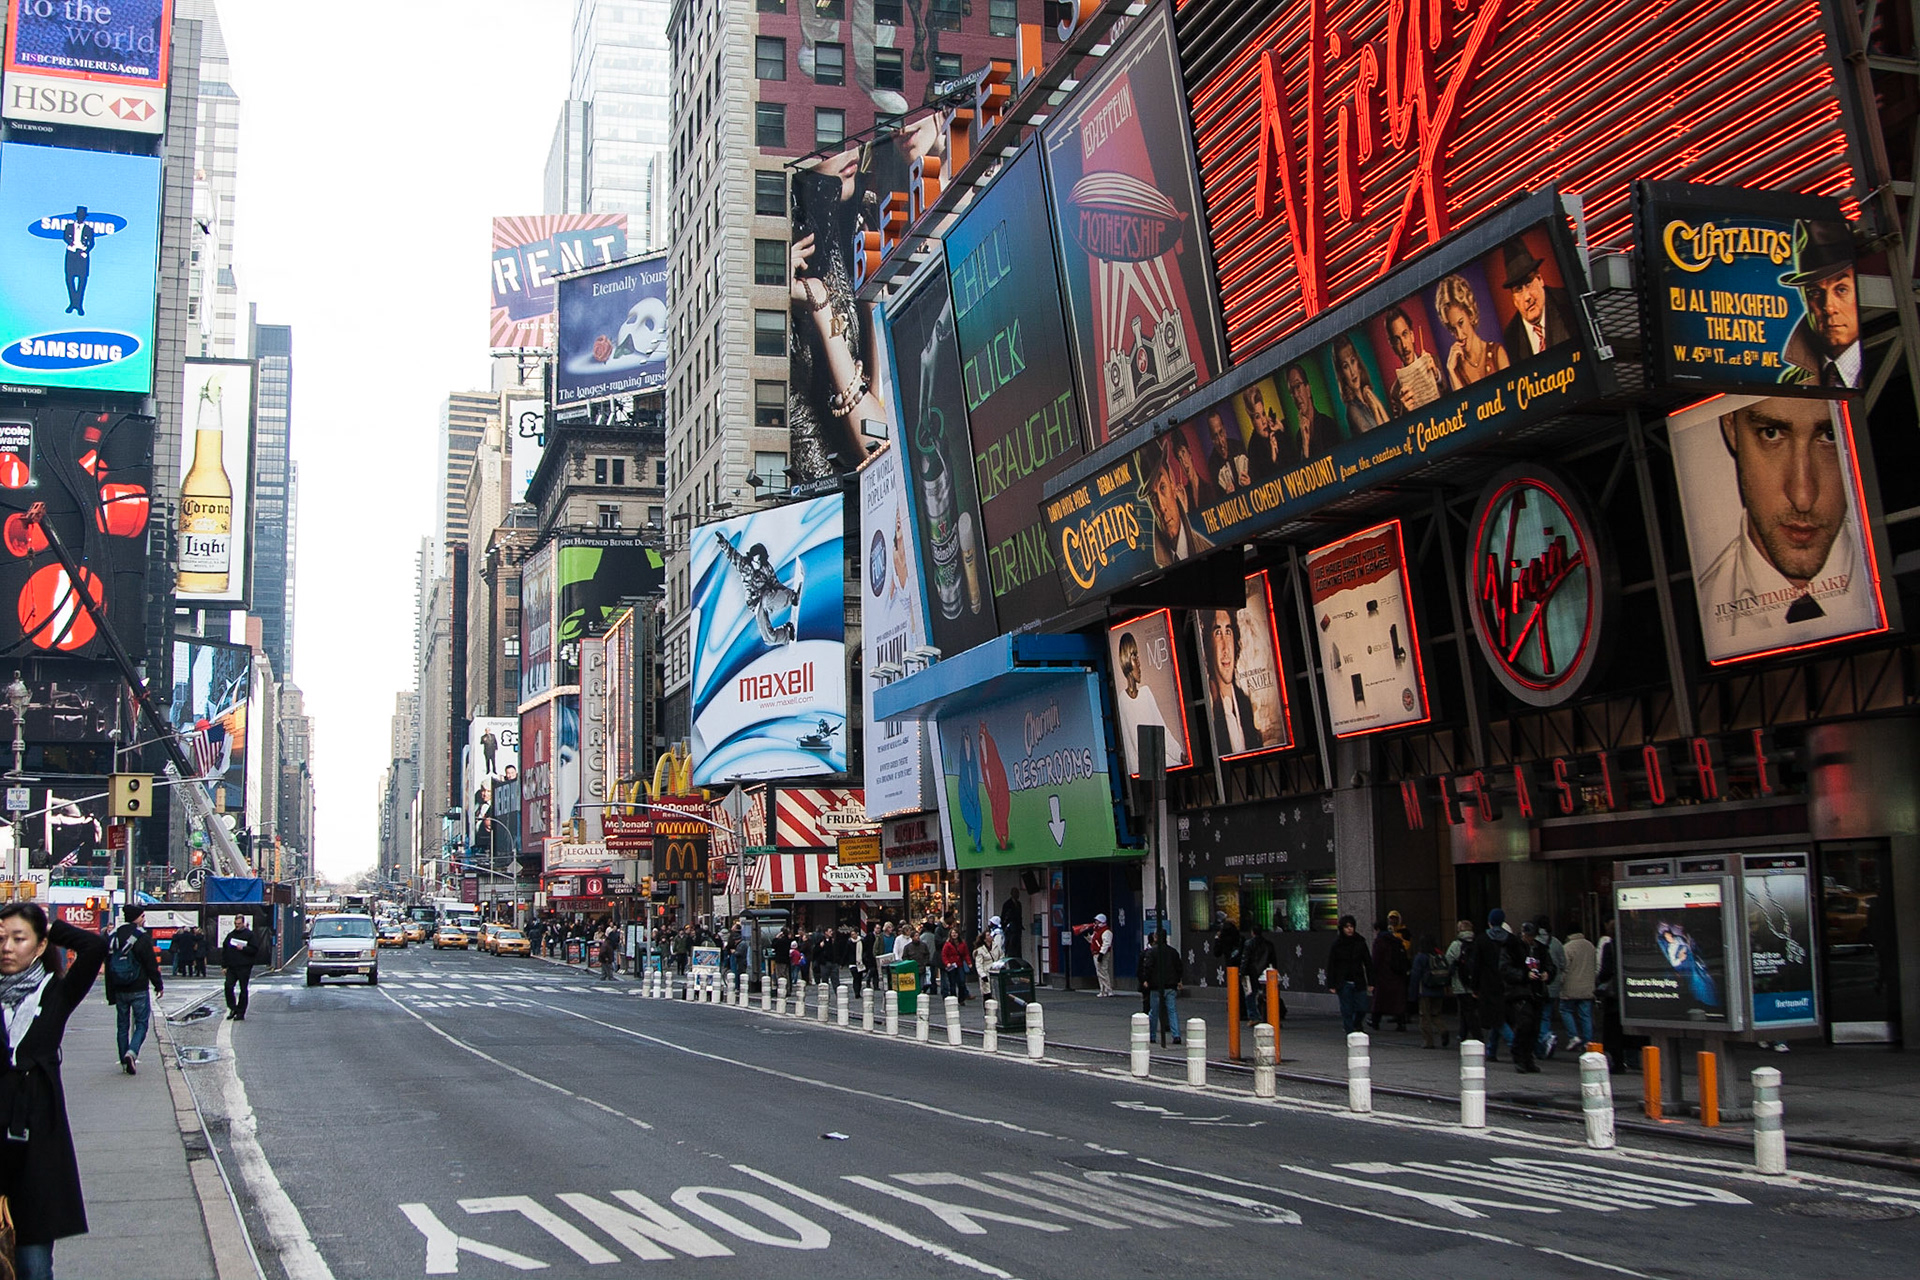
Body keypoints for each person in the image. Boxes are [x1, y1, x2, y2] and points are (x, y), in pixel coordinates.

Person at [1695, 396, 1874, 645]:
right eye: (1771, 433)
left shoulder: (1894, 586)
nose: (1802, 497)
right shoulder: (1702, 610)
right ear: (1731, 427)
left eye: (1830, 435)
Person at [0, 903, 108, 1280]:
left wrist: (52, 923)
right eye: (1, 939)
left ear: (40, 945)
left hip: (38, 1147)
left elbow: (94, 948)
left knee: (32, 1265)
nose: (7, 948)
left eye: (18, 938)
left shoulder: (55, 993)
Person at [1777, 218, 1860, 388]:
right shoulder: (1791, 383)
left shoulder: (1884, 354)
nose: (1828, 307)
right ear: (1803, 298)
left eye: (1841, 289)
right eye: (1814, 292)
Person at [104, 904, 164, 1075]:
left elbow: (109, 966)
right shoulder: (141, 937)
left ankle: (124, 1061)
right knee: (142, 1024)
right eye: (143, 916)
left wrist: (110, 994)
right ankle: (132, 1052)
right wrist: (158, 985)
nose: (144, 920)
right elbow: (150, 964)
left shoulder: (113, 937)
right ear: (137, 918)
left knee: (122, 1026)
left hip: (119, 988)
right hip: (138, 986)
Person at [1112, 630, 1182, 775]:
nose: (1139, 663)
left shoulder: (1146, 693)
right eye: (1134, 657)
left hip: (1160, 766)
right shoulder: (1122, 701)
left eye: (1138, 656)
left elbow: (1163, 733)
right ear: (1126, 660)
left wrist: (1180, 755)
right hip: (1146, 771)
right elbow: (1134, 747)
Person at [1199, 606, 1264, 758]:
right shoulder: (1209, 713)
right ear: (1208, 645)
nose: (1225, 647)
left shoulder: (1245, 705)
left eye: (1228, 632)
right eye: (1218, 633)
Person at [1499, 238, 1578, 357]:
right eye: (1519, 289)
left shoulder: (1569, 303)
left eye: (1528, 284)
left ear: (1540, 280)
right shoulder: (1510, 338)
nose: (1527, 297)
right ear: (1514, 299)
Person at [1434, 272, 1510, 389]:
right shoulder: (1456, 370)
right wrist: (1451, 371)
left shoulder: (1497, 353)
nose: (1459, 335)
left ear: (1470, 314)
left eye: (1461, 323)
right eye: (1453, 329)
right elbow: (1462, 406)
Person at [1145, 441, 1214, 569]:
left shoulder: (1207, 549)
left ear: (1172, 481)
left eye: (1163, 487)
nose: (1162, 507)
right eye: (1153, 498)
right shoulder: (1150, 565)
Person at [1502, 921, 1556, 1074]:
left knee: (1534, 1028)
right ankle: (1519, 1058)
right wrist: (1524, 975)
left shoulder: (1540, 949)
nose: (1530, 939)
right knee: (1524, 1025)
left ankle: (1528, 1058)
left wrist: (1548, 973)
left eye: (1532, 936)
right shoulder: (1513, 947)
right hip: (1520, 992)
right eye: (1528, 936)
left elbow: (1550, 966)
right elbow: (1505, 969)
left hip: (1537, 992)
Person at [1470, 909, 1515, 1061]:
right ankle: (1491, 1050)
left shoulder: (1482, 940)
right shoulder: (1510, 939)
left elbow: (1476, 965)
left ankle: (1516, 1046)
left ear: (1490, 922)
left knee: (1498, 1019)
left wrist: (1474, 987)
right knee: (1498, 1016)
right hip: (1508, 983)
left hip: (1489, 984)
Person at [1383, 305, 1443, 415]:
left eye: (1405, 334)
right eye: (1397, 340)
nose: (1404, 346)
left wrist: (1437, 376)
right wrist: (1406, 413)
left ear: (1412, 336)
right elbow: (1401, 429)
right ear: (1392, 346)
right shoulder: (1395, 392)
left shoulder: (1436, 362)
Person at [1331, 333, 1390, 434]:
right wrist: (1375, 410)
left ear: (1358, 362)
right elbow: (1378, 438)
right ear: (1342, 374)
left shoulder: (1368, 396)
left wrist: (1376, 403)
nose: (1352, 372)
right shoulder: (1353, 410)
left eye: (1352, 361)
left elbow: (1390, 427)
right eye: (1346, 366)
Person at [1325, 916, 1373, 1033]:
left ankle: (1356, 1024)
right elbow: (1331, 964)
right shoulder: (1337, 944)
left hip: (1358, 980)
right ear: (1342, 928)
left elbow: (1368, 962)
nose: (1349, 929)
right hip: (1343, 981)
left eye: (1351, 926)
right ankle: (1350, 1031)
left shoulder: (1360, 942)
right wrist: (1331, 984)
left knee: (1362, 1007)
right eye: (1346, 927)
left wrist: (1371, 981)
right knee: (1347, 1009)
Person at [1242, 385, 1298, 480]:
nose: (1264, 421)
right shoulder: (1253, 449)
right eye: (1257, 417)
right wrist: (1273, 458)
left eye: (1263, 413)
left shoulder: (1277, 430)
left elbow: (1296, 459)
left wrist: (1282, 429)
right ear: (1252, 421)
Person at [1283, 364, 1338, 459]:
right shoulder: (1299, 438)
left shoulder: (1328, 424)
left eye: (1298, 386)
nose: (1296, 395)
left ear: (1308, 389)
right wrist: (1305, 444)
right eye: (1292, 391)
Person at [1559, 925, 1597, 1053]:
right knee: (1586, 1015)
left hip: (1570, 987)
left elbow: (1564, 968)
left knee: (1565, 1010)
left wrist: (1560, 982)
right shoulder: (1590, 946)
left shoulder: (1567, 948)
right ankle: (1588, 1042)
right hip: (1587, 987)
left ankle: (1573, 1036)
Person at [1142, 929, 1184, 1046]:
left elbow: (1148, 967)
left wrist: (1146, 979)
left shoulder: (1152, 952)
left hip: (1156, 986)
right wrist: (1178, 980)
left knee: (1154, 1011)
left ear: (1155, 937)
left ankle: (1152, 1036)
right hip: (1171, 985)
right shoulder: (1173, 952)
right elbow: (1179, 967)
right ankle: (1176, 1036)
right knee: (1172, 1010)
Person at [1368, 917, 1411, 1032]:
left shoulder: (1380, 941)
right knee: (1397, 1000)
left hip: (1383, 975)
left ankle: (1375, 1021)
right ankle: (1401, 1023)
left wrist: (1372, 974)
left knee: (1379, 999)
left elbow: (1376, 960)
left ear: (1377, 929)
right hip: (1396, 974)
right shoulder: (1396, 940)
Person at [1409, 934, 1451, 1049]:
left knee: (1424, 1016)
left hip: (1425, 991)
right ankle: (1443, 1030)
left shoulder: (1421, 957)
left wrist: (1412, 995)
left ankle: (1428, 1041)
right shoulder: (1439, 955)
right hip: (1439, 989)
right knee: (1436, 1014)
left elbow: (1415, 976)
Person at [219, 916, 265, 1021]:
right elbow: (225, 951)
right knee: (228, 986)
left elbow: (254, 949)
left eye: (239, 924)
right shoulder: (231, 935)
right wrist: (224, 966)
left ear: (243, 923)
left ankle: (241, 1012)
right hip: (232, 966)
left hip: (244, 966)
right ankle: (233, 1007)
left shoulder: (250, 935)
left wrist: (244, 948)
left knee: (243, 989)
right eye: (235, 923)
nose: (237, 926)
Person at [1443, 919, 1480, 1045]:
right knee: (1469, 1009)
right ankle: (1463, 1033)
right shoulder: (1477, 943)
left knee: (1466, 1010)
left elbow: (1447, 960)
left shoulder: (1456, 944)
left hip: (1460, 983)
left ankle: (1475, 1035)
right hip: (1474, 982)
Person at [1206, 409, 1251, 494]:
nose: (1220, 441)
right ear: (1211, 439)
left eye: (1221, 433)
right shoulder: (1212, 465)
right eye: (1215, 436)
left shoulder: (1239, 447)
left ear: (1225, 430)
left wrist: (1250, 483)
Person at [1239, 924, 1277, 1022]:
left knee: (1250, 994)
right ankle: (1268, 1016)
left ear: (1252, 932)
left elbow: (1245, 959)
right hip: (1265, 973)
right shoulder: (1268, 944)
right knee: (1266, 995)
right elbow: (1273, 960)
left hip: (1251, 972)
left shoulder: (1249, 943)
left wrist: (1241, 972)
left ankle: (1254, 1016)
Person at [63, 205, 95, 316]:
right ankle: (73, 303)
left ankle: (79, 304)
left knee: (82, 281)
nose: (81, 217)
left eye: (82, 216)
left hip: (82, 255)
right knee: (69, 279)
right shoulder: (69, 226)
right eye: (79, 215)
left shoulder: (89, 229)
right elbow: (65, 237)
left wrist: (85, 251)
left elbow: (92, 243)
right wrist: (70, 243)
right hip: (71, 254)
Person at [1081, 914, 1115, 997]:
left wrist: (1101, 953)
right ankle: (1103, 990)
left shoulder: (1106, 932)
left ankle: (1108, 990)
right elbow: (1092, 941)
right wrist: (1087, 936)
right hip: (1096, 953)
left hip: (1101, 954)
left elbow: (1106, 944)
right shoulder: (1097, 931)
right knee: (1100, 972)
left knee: (1103, 971)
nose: (1095, 922)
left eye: (1097, 921)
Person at [941, 931, 971, 1004]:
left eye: (956, 933)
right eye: (953, 933)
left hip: (959, 964)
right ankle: (953, 997)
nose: (954, 935)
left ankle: (961, 999)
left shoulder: (962, 944)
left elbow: (966, 954)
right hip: (951, 965)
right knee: (952, 983)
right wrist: (947, 963)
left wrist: (969, 963)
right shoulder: (947, 944)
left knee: (962, 982)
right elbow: (944, 955)